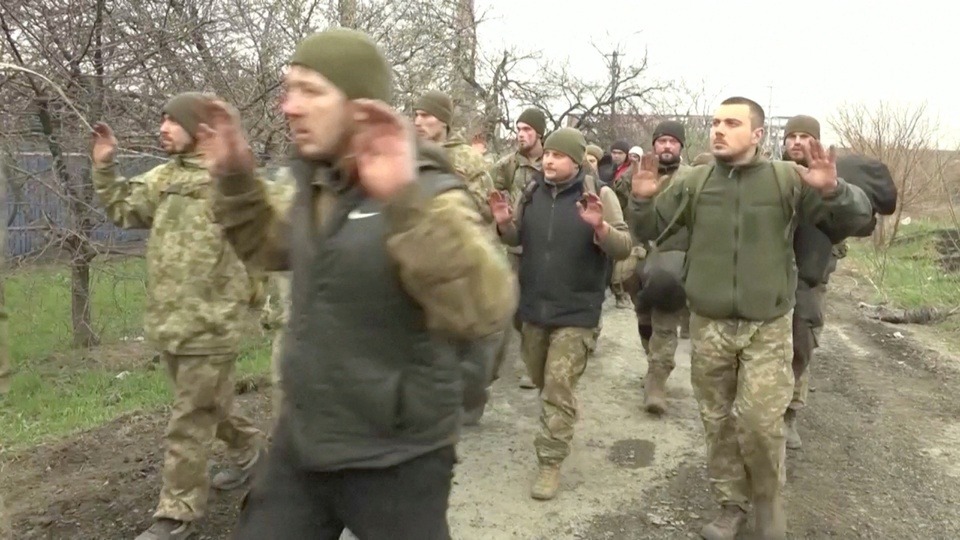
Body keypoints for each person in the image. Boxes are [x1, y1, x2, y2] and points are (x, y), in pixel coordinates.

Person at [201, 28, 517, 540]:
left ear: (359, 106)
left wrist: (404, 202)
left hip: (396, 455)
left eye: (311, 91)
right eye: (289, 89)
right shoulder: (315, 183)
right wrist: (236, 178)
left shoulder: (427, 189)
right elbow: (267, 247)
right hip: (305, 441)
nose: (290, 106)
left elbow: (485, 306)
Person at [628, 96, 873, 540]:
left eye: (732, 123)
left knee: (760, 423)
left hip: (767, 325)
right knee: (718, 422)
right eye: (716, 122)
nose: (719, 130)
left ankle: (766, 504)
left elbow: (854, 220)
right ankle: (731, 506)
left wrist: (834, 190)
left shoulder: (786, 179)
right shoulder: (695, 181)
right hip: (709, 324)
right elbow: (650, 230)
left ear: (758, 134)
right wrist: (642, 201)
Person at [91, 93, 266, 540]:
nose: (162, 128)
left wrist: (251, 297)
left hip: (212, 322)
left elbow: (261, 241)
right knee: (210, 405)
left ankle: (178, 514)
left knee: (189, 420)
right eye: (162, 119)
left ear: (198, 129)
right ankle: (254, 453)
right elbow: (124, 208)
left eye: (172, 120)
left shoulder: (230, 181)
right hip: (171, 323)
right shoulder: (166, 178)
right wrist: (105, 166)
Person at [490, 127, 632, 500]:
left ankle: (549, 462)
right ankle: (562, 416)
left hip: (577, 310)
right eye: (547, 155)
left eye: (557, 155)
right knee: (542, 380)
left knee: (557, 385)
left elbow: (624, 246)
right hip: (534, 307)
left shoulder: (598, 194)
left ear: (575, 160)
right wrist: (504, 224)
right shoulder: (531, 191)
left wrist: (600, 226)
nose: (548, 161)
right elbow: (517, 238)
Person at [635, 120, 693, 415]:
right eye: (662, 141)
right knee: (644, 318)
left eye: (673, 141)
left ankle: (656, 381)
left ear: (681, 146)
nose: (667, 146)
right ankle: (652, 364)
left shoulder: (692, 179)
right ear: (654, 145)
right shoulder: (638, 174)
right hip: (641, 258)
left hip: (674, 263)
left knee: (665, 320)